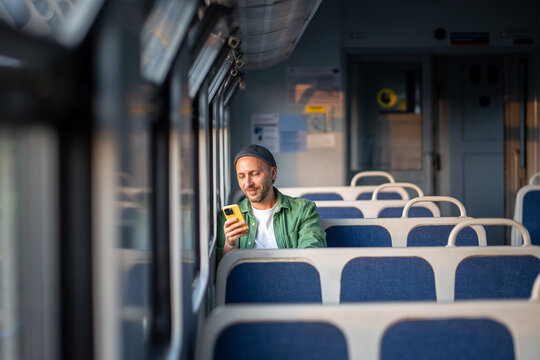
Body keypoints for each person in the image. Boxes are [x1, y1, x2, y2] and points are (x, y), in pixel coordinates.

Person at [217, 144, 326, 262]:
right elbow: (219, 271)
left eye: (255, 174)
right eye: (241, 176)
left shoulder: (303, 210)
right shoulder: (226, 218)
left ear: (273, 173)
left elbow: (311, 257)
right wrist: (229, 246)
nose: (248, 183)